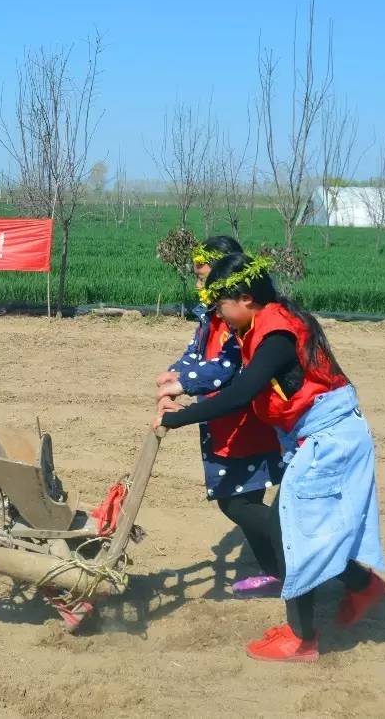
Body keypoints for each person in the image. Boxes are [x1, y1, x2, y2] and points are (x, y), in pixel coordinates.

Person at [156, 252, 385, 663]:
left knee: (292, 530)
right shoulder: (261, 324)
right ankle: (361, 586)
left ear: (245, 299)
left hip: (329, 438)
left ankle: (302, 638)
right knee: (291, 525)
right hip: (315, 436)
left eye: (222, 306)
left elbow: (240, 393)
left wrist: (182, 418)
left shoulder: (276, 335)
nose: (219, 316)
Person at [154, 236, 285, 597]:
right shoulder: (212, 315)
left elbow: (227, 367)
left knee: (236, 502)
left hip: (245, 425)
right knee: (245, 500)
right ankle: (276, 569)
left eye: (203, 277)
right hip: (222, 421)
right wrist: (176, 373)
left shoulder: (238, 321)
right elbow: (196, 354)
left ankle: (296, 550)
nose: (200, 285)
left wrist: (184, 388)